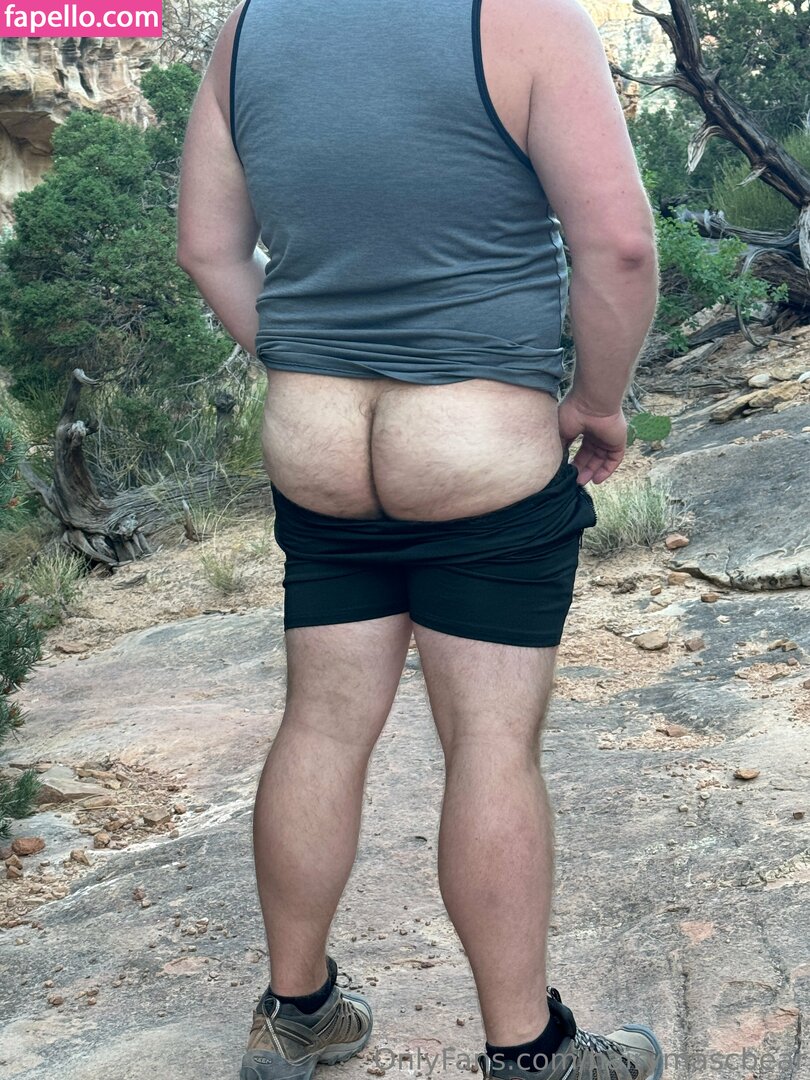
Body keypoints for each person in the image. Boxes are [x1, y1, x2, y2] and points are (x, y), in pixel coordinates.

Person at [176, 1, 662, 1078]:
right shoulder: (528, 18)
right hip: (476, 453)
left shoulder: (250, 27)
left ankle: (297, 1014)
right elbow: (621, 246)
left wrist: (307, 360)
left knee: (320, 725)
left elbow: (207, 248)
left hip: (316, 452)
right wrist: (598, 399)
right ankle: (529, 1054)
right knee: (489, 744)